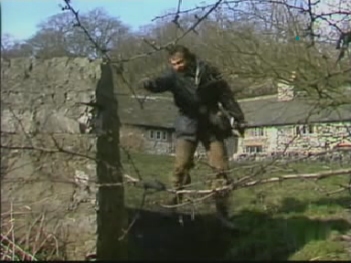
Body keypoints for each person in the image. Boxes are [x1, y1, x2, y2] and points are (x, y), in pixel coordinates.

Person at [140, 45, 246, 222]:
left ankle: (222, 210)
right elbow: (162, 82)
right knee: (180, 166)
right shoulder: (173, 76)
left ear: (188, 59)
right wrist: (150, 84)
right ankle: (174, 202)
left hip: (212, 124)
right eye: (173, 64)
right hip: (187, 123)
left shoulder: (209, 73)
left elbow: (226, 96)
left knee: (220, 168)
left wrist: (238, 117)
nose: (177, 67)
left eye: (180, 62)